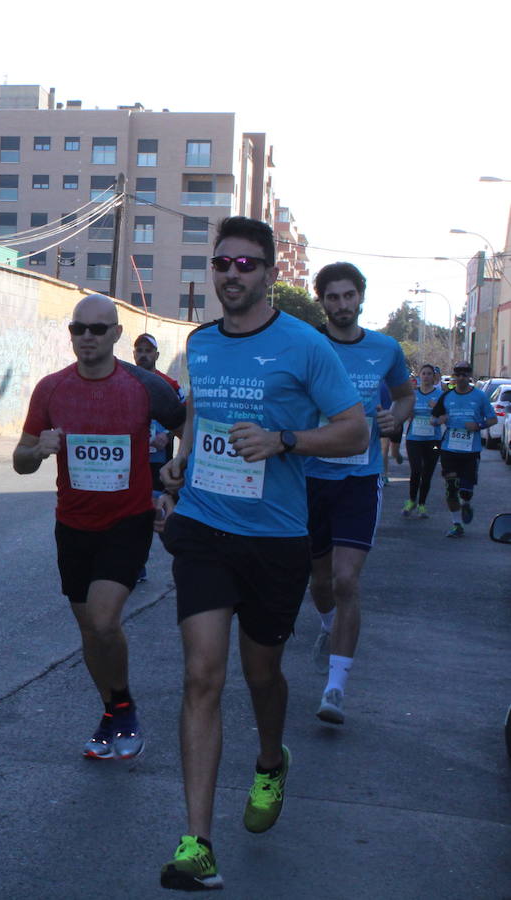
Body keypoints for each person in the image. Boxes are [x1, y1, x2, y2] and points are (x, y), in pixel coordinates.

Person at [156, 217, 367, 891]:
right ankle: (197, 844)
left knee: (262, 677)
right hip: (204, 529)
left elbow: (354, 430)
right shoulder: (201, 344)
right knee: (202, 676)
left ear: (271, 274)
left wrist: (285, 441)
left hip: (276, 538)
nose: (232, 274)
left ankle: (271, 760)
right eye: (222, 262)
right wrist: (181, 466)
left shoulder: (304, 346)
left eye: (247, 265)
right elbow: (200, 417)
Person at [13, 296, 185, 763]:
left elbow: (190, 425)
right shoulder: (51, 390)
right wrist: (40, 449)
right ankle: (111, 711)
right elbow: (20, 463)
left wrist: (175, 479)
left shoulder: (146, 387)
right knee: (91, 631)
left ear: (116, 334)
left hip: (127, 521)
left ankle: (124, 709)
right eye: (77, 329)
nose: (86, 337)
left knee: (106, 619)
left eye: (96, 329)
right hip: (72, 524)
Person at [302, 262, 412, 726]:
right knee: (320, 583)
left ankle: (335, 688)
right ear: (321, 301)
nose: (342, 305)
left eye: (349, 296)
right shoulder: (307, 345)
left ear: (361, 298)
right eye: (333, 297)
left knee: (347, 581)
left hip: (360, 481)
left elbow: (405, 396)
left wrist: (396, 417)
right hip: (308, 476)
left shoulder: (386, 349)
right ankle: (327, 624)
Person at [132, 331, 183, 583]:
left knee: (160, 511)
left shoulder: (170, 385)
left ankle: (181, 558)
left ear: (156, 355)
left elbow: (185, 422)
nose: (143, 355)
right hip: (133, 460)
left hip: (159, 462)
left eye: (148, 351)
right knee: (135, 512)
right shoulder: (127, 382)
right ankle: (136, 564)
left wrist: (169, 436)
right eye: (139, 350)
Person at [430, 361, 497, 538]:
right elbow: (433, 419)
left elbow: (493, 420)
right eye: (458, 375)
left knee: (465, 491)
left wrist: (478, 425)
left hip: (471, 451)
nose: (461, 378)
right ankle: (456, 524)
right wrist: (439, 420)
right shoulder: (446, 397)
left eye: (464, 375)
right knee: (451, 488)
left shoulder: (480, 397)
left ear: (469, 376)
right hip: (449, 449)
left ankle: (466, 503)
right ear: (454, 376)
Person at [402, 364, 444, 519]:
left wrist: (436, 413)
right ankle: (411, 500)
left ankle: (422, 505)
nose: (426, 376)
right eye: (423, 373)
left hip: (433, 440)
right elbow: (405, 415)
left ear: (434, 377)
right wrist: (408, 412)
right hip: (414, 439)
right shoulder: (413, 395)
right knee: (416, 470)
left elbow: (446, 418)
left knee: (427, 473)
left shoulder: (440, 395)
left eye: (429, 374)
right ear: (419, 376)